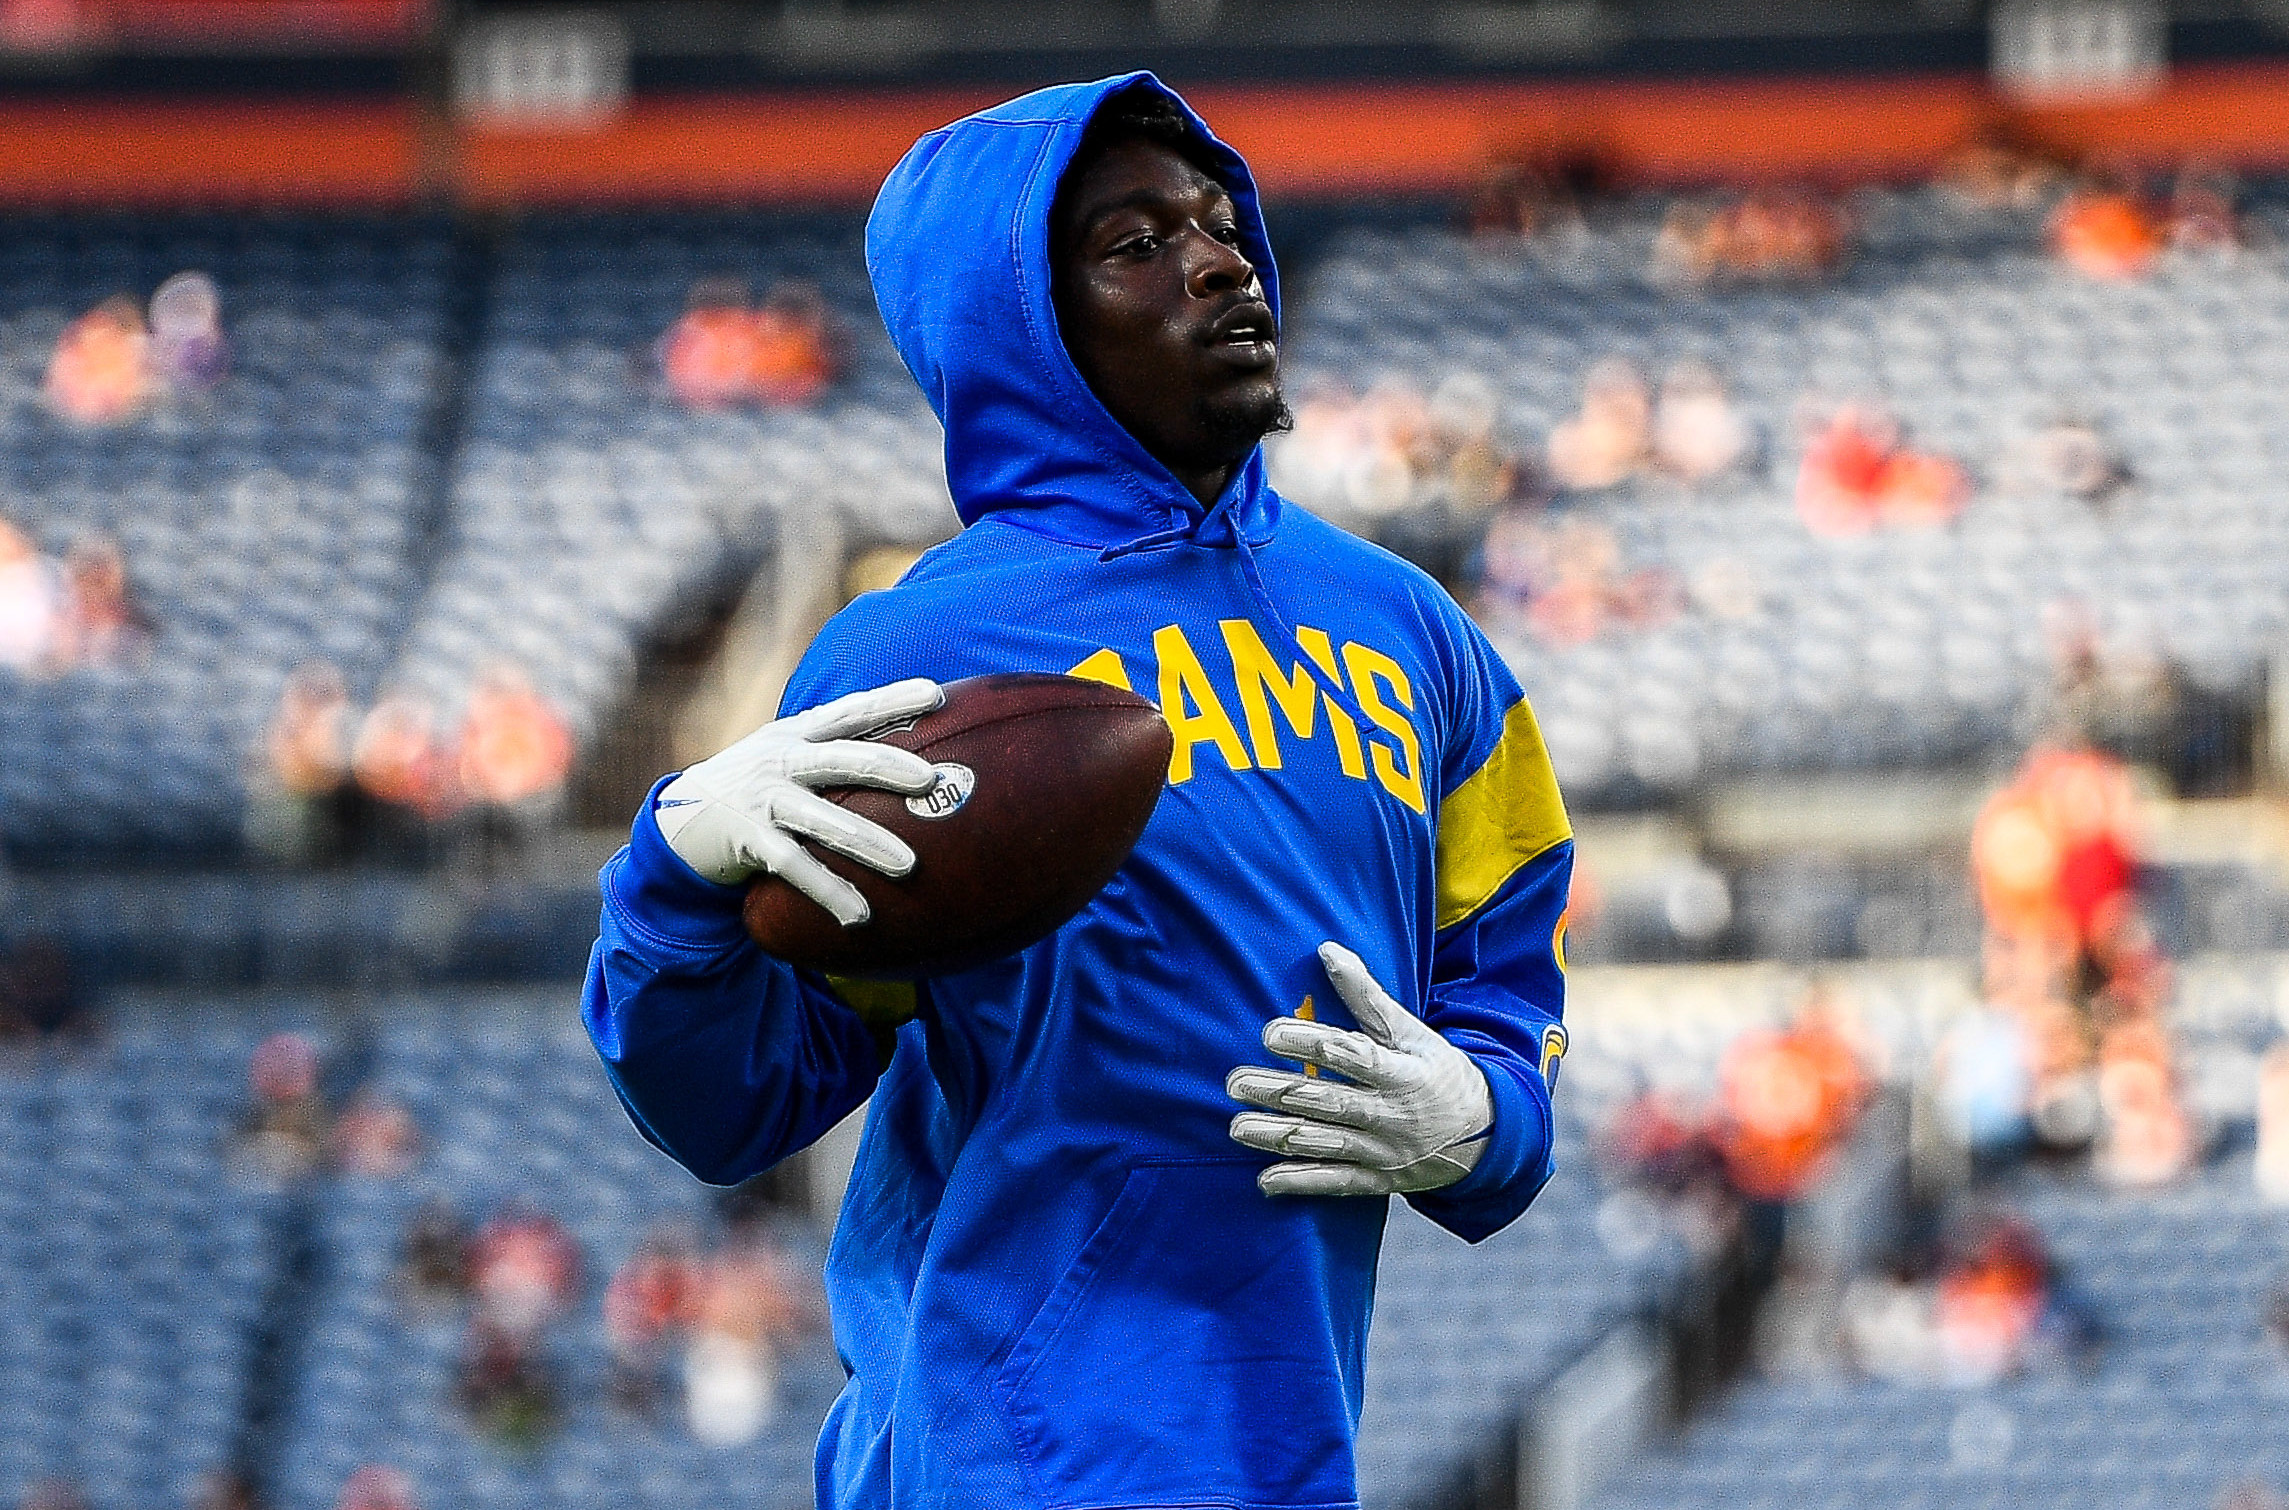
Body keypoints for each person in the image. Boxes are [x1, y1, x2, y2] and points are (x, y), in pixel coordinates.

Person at [583, 75, 1572, 1509]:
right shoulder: (915, 655)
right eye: (1135, 244)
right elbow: (733, 1105)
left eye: (1221, 221)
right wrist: (672, 877)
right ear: (1018, 328)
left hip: (1288, 1449)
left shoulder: (1424, 638)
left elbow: (1508, 980)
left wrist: (1483, 1120)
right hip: (990, 1455)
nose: (1221, 259)